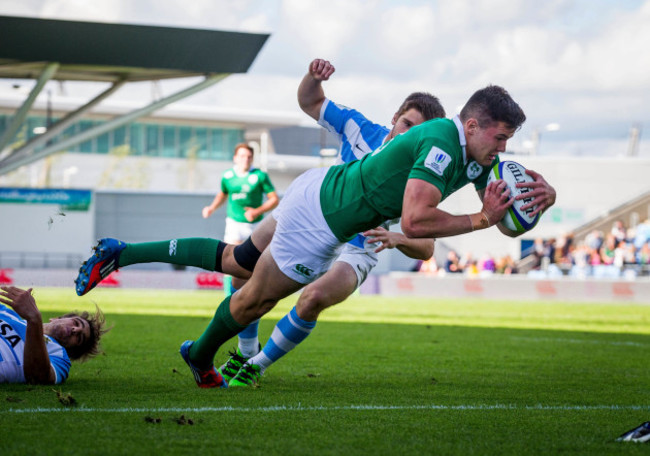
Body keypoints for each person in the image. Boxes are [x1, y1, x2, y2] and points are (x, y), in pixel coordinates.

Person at [77, 84, 556, 389]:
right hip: (324, 221)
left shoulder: (478, 155)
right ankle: (200, 356)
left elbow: (508, 209)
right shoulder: (440, 142)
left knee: (235, 261)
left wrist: (540, 198)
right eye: (499, 138)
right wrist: (480, 220)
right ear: (472, 126)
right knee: (251, 303)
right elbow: (415, 223)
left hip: (318, 191)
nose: (503, 148)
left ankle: (122, 252)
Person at [221, 59, 442, 385]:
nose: (409, 135)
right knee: (242, 270)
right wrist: (313, 76)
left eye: (419, 132)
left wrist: (398, 238)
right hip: (312, 220)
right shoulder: (360, 128)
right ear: (394, 120)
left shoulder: (424, 175)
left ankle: (257, 365)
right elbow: (310, 101)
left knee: (313, 299)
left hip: (357, 246)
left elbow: (427, 248)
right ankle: (245, 349)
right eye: (406, 124)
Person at [202, 142, 279, 294]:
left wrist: (257, 211)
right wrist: (211, 208)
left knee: (254, 265)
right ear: (235, 158)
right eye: (242, 156)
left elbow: (274, 199)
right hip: (234, 223)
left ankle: (249, 297)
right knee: (229, 261)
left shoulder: (259, 176)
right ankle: (229, 299)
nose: (246, 159)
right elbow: (222, 194)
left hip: (255, 226)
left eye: (249, 156)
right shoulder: (227, 176)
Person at [0, 286, 108, 384]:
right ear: (57, 318)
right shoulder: (9, 314)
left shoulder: (59, 357)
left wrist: (34, 319)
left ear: (73, 350)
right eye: (76, 323)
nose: (76, 329)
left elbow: (39, 377)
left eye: (79, 338)